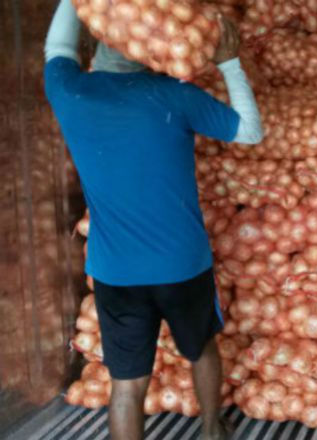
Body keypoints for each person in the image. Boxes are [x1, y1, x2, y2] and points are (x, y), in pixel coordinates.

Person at [44, 0, 263, 439]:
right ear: (156, 51)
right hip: (182, 265)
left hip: (115, 271)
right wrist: (230, 62)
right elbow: (250, 131)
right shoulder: (175, 96)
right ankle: (211, 428)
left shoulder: (70, 92)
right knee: (201, 347)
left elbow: (58, 46)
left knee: (126, 386)